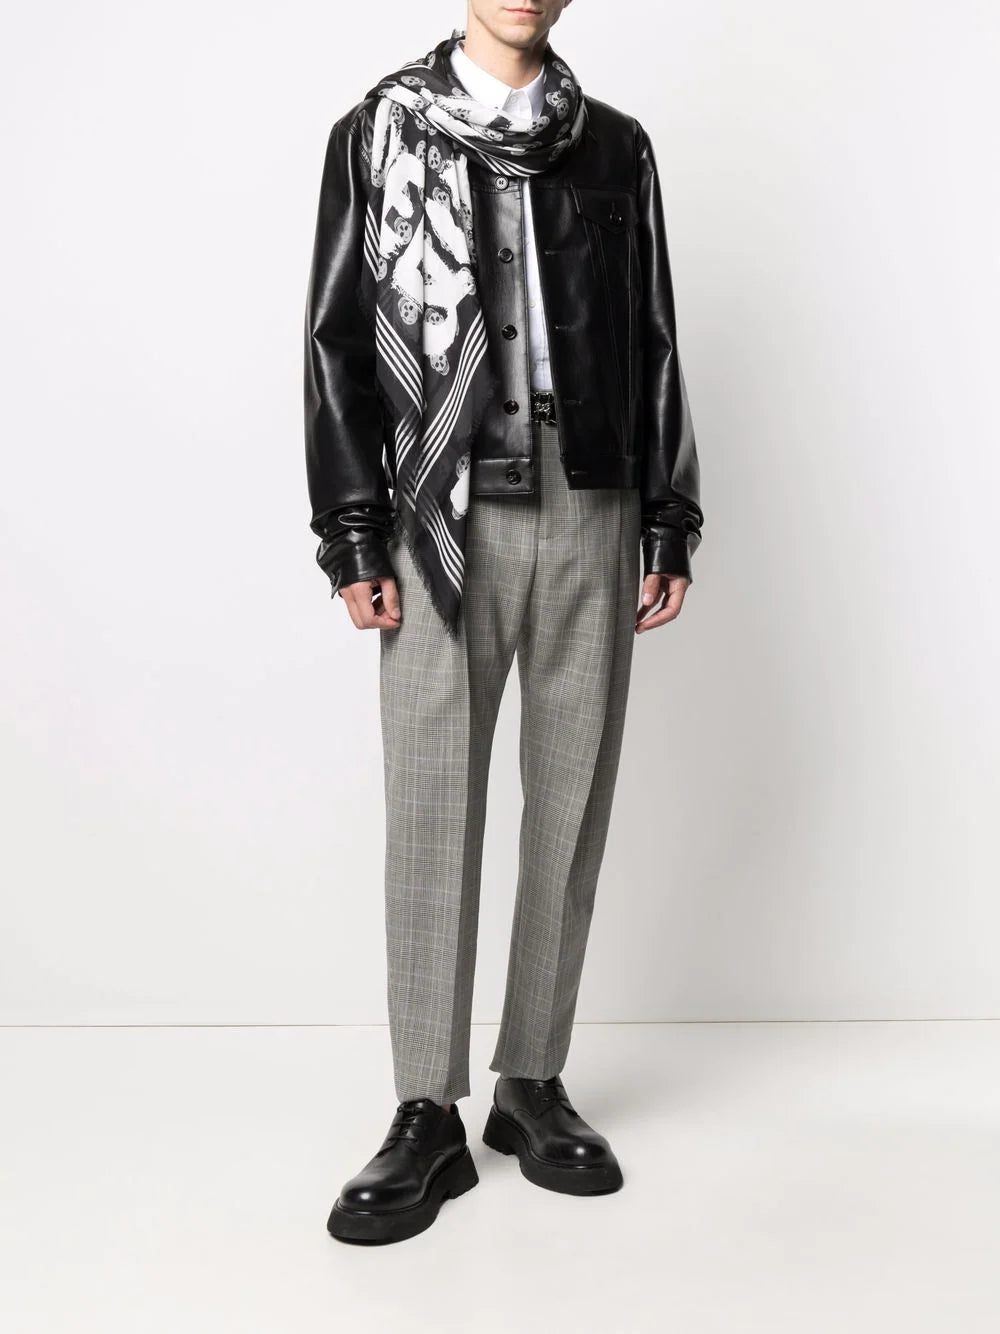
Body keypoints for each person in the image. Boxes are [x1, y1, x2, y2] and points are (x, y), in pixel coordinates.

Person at [304, 0, 703, 1245]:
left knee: (571, 794)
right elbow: (335, 341)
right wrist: (352, 529)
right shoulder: (379, 131)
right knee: (432, 799)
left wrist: (669, 515)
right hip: (441, 507)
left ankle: (532, 1078)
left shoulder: (614, 145)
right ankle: (425, 1107)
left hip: (592, 495)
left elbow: (651, 333)